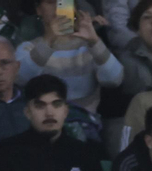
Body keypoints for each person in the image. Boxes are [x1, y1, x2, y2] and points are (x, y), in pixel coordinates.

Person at [16, 0, 122, 140]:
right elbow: (20, 78)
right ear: (38, 10)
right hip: (42, 127)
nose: (58, 8)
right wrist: (49, 40)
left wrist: (95, 42)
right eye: (50, 2)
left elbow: (114, 79)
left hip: (84, 126)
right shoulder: (28, 48)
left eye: (64, 2)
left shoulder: (89, 45)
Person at [0, 74, 105, 171]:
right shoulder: (6, 153)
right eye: (40, 105)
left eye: (56, 104)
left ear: (65, 111)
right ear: (27, 112)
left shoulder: (85, 154)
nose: (49, 113)